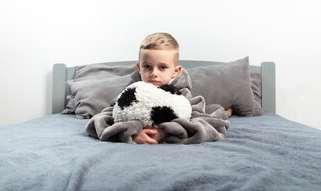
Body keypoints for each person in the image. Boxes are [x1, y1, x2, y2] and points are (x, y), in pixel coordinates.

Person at [85, 32, 230, 144]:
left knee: (216, 111)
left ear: (175, 71)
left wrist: (165, 132)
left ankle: (229, 110)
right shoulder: (131, 93)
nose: (154, 74)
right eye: (147, 67)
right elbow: (105, 118)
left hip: (196, 110)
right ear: (139, 68)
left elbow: (201, 124)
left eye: (162, 67)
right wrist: (130, 133)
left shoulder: (181, 95)